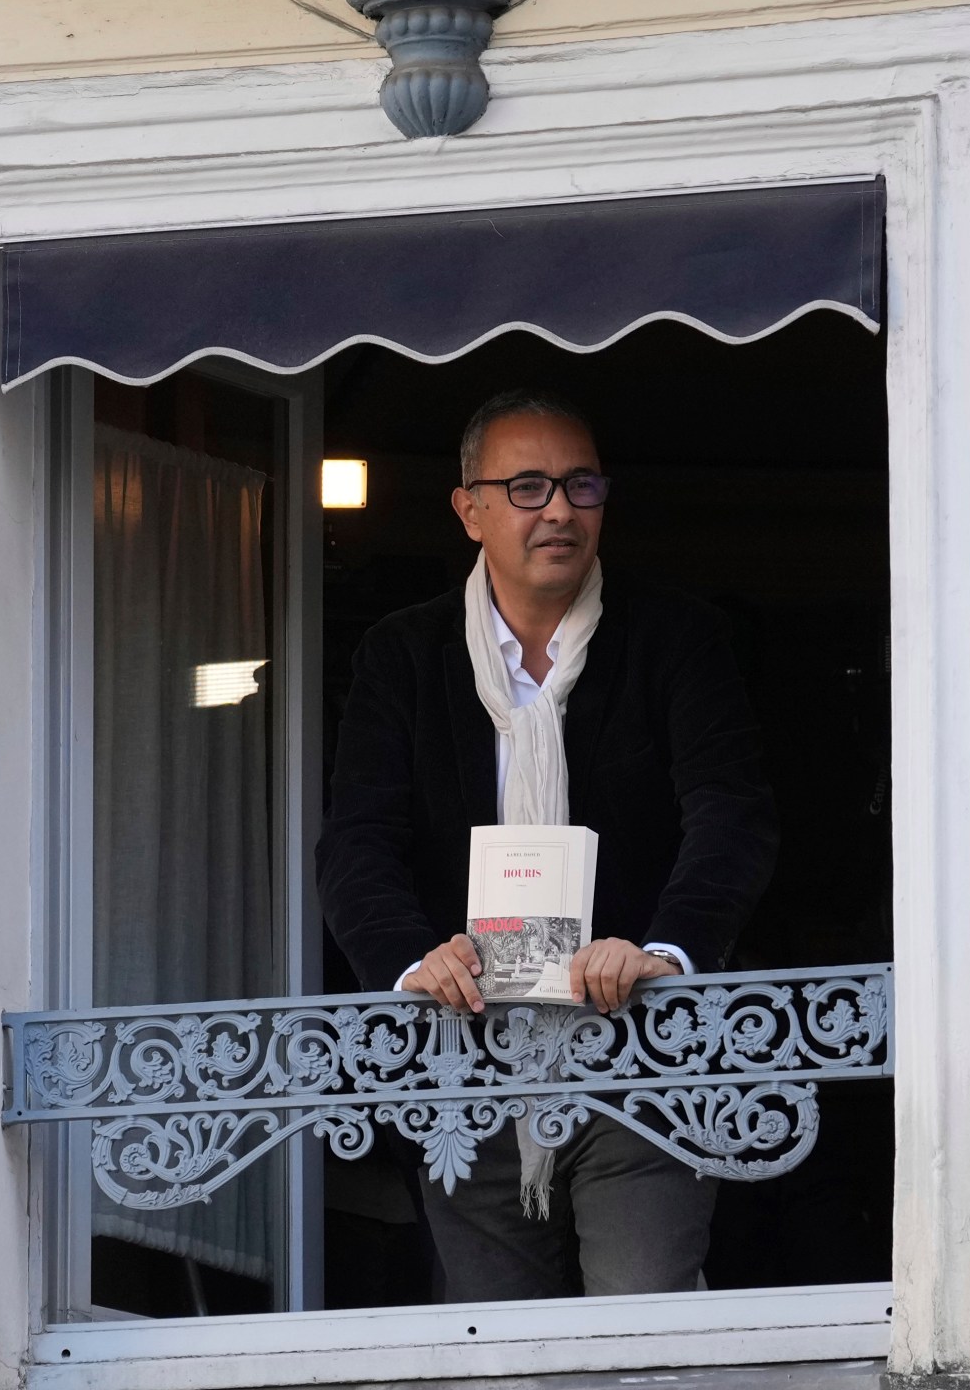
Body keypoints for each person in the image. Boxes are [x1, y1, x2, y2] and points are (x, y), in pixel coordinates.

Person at [316, 388, 779, 1302]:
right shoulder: (402, 655)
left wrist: (662, 953)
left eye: (581, 484)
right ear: (469, 509)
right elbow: (357, 844)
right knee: (494, 1352)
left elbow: (731, 816)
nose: (560, 509)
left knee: (646, 1342)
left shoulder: (674, 637)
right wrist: (415, 962)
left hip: (641, 1047)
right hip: (466, 1057)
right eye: (526, 486)